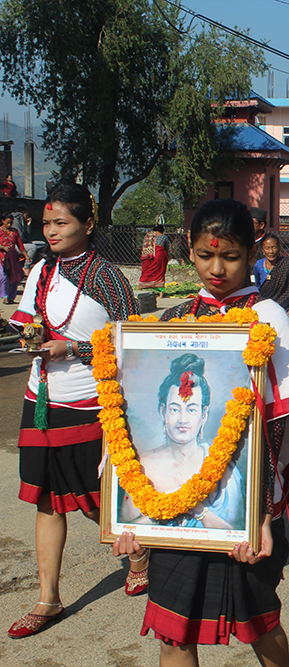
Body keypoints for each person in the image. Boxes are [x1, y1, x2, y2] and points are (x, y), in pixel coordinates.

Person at [115, 198, 289, 665]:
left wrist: (263, 514)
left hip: (241, 510)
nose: (216, 268)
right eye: (206, 255)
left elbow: (281, 422)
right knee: (174, 633)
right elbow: (130, 423)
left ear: (250, 254)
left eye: (229, 256)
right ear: (189, 249)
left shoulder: (266, 317)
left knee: (260, 625)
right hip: (174, 509)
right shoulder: (172, 321)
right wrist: (129, 517)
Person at [7, 183, 140, 638]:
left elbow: (129, 341)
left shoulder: (107, 275)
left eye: (61, 222)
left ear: (88, 224)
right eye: (46, 223)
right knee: (46, 498)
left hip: (89, 401)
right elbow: (27, 320)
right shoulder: (42, 271)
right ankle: (49, 598)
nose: (51, 230)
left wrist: (75, 348)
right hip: (41, 399)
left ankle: (138, 550)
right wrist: (29, 337)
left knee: (91, 495)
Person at [118, 354, 245, 529]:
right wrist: (163, 511)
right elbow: (125, 529)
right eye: (175, 409)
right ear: (163, 412)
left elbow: (237, 533)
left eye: (192, 409)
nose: (182, 419)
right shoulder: (140, 466)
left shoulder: (225, 470)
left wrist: (199, 510)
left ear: (204, 414)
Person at [254, 232, 289, 350]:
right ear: (263, 250)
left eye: (274, 247)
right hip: (266, 311)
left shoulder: (287, 264)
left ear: (279, 248)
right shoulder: (258, 265)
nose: (271, 251)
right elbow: (258, 288)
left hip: (287, 311)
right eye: (267, 248)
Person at [0, 211, 27, 303]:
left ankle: (11, 297)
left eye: (11, 223)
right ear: (3, 221)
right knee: (4, 277)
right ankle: (4, 296)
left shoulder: (14, 232)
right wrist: (3, 247)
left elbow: (20, 244)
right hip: (1, 257)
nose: (9, 224)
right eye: (7, 222)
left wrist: (26, 255)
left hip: (12, 258)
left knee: (13, 277)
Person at [138, 224, 170, 289]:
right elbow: (166, 250)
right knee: (160, 270)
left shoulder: (148, 236)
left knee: (147, 270)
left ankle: (142, 284)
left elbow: (144, 247)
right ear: (162, 231)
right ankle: (159, 285)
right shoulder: (164, 237)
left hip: (148, 256)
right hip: (160, 255)